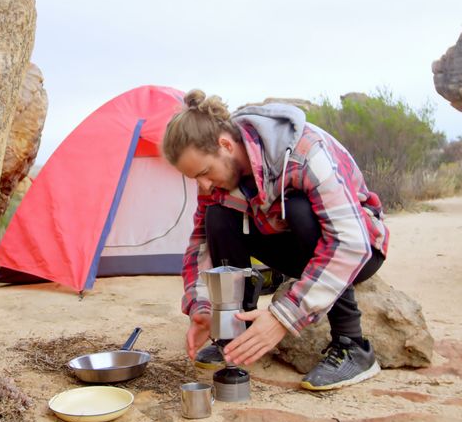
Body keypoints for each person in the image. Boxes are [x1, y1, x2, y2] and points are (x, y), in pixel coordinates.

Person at [162, 89, 389, 391]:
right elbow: (199, 244)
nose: (203, 185)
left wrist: (283, 317)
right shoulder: (216, 179)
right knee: (217, 215)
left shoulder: (304, 151)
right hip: (291, 246)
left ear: (225, 144)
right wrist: (202, 307)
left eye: (204, 172)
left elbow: (350, 242)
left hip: (360, 247)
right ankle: (235, 331)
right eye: (195, 179)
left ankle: (353, 346)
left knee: (300, 209)